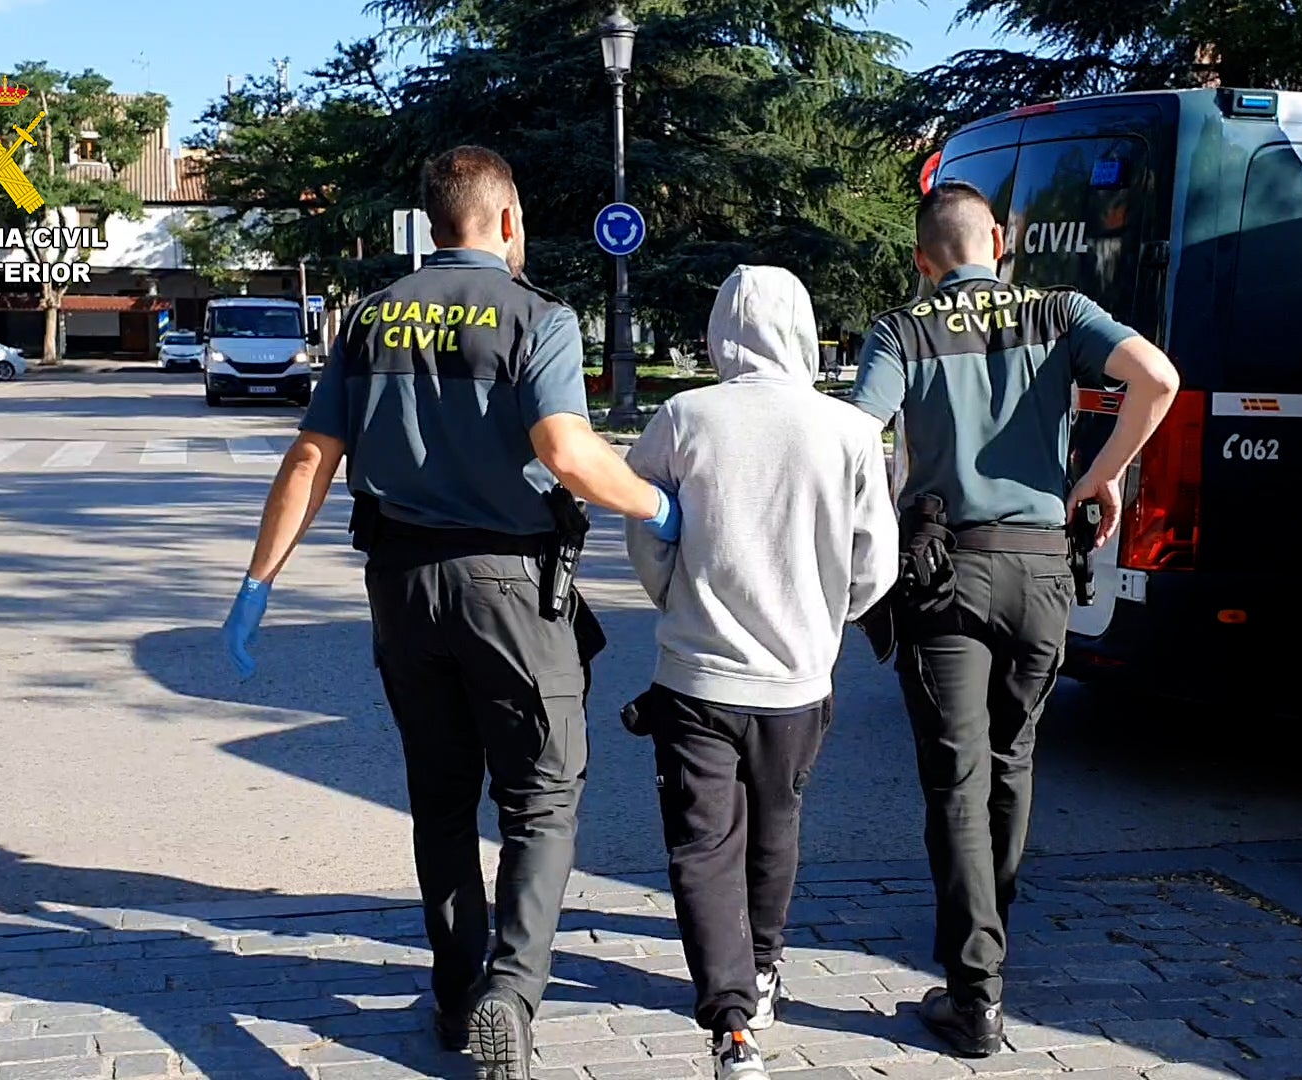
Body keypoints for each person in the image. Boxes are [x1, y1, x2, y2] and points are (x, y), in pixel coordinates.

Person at [221, 145, 682, 1080]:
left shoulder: (371, 318)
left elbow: (312, 460)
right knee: (541, 802)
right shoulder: (538, 318)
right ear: (507, 219)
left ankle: (455, 995)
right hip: (512, 589)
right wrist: (660, 507)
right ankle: (510, 996)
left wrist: (257, 584)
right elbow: (566, 450)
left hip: (401, 588)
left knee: (440, 799)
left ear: (433, 224)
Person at [850, 182, 1180, 1056]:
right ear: (999, 241)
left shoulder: (902, 330)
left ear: (924, 261)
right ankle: (990, 950)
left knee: (955, 781)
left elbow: (854, 436)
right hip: (1040, 572)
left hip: (946, 570)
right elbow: (1159, 378)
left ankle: (974, 990)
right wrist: (1101, 474)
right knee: (1012, 762)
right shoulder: (1059, 311)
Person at [623, 266, 899, 1080]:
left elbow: (645, 522)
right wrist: (828, 616)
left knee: (703, 845)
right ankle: (768, 966)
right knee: (776, 821)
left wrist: (670, 591)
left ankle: (731, 1020)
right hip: (798, 680)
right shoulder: (848, 430)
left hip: (697, 673)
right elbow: (874, 562)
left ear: (719, 332)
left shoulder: (685, 417)